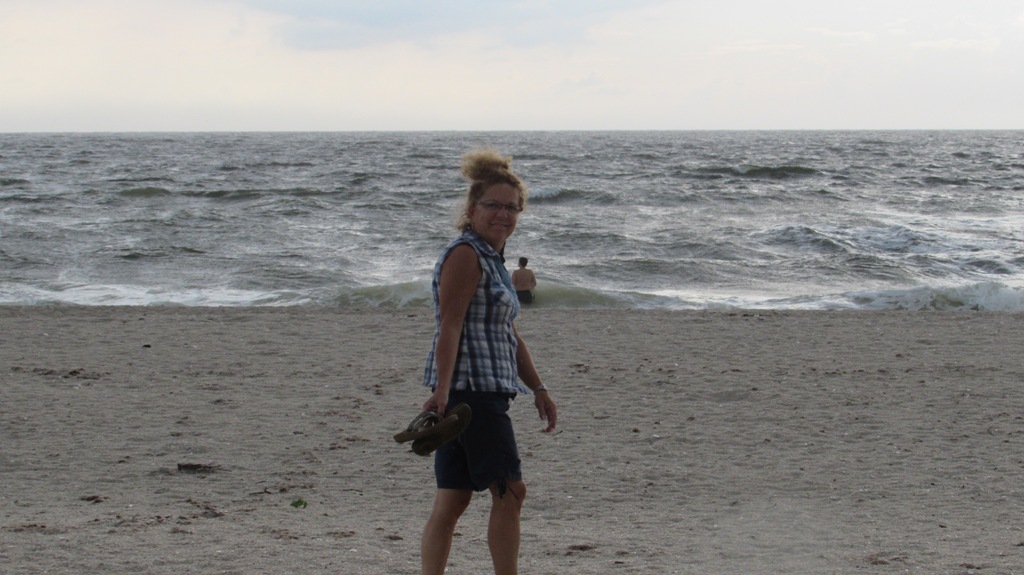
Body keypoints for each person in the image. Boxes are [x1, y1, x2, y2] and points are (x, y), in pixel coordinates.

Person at [419, 150, 558, 575]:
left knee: (453, 498)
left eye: (512, 207)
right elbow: (450, 326)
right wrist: (443, 392)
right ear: (471, 209)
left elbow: (509, 335)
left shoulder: (493, 260)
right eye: (493, 205)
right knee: (510, 491)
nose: (503, 214)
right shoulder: (466, 254)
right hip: (471, 395)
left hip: (482, 391)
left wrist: (538, 388)